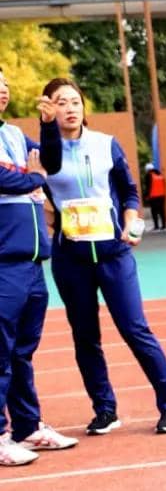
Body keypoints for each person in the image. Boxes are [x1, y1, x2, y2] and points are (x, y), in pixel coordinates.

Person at [37, 78, 166, 435]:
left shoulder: (105, 144)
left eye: (75, 101)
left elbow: (130, 192)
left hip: (113, 254)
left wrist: (132, 222)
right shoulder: (43, 154)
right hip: (71, 259)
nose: (70, 108)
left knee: (135, 328)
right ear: (49, 108)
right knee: (85, 336)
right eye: (61, 102)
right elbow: (40, 191)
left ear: (83, 106)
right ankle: (105, 409)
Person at [0, 68, 79, 466]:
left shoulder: (14, 135)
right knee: (0, 352)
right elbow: (12, 179)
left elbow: (51, 164)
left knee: (22, 352)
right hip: (3, 264)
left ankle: (27, 427)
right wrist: (33, 177)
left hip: (31, 262)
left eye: (4, 83)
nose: (2, 89)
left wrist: (47, 127)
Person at [144, 162, 166, 231]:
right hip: (162, 196)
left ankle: (156, 227)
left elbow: (148, 187)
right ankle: (164, 226)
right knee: (162, 211)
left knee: (154, 212)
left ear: (147, 169)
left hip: (153, 196)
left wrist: (146, 196)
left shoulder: (148, 175)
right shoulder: (160, 174)